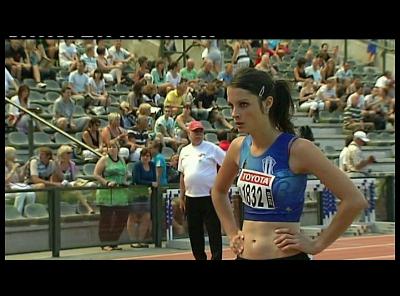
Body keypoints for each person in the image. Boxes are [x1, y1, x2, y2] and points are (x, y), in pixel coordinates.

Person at [211, 68, 368, 260]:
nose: (235, 113)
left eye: (243, 104)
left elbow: (354, 200)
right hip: (244, 256)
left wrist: (317, 244)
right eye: (231, 105)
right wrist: (232, 232)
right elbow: (218, 191)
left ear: (267, 103)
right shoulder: (238, 147)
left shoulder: (298, 149)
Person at [178, 120, 226, 260]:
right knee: (194, 232)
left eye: (200, 132)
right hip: (191, 197)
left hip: (209, 197)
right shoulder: (184, 151)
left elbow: (227, 165)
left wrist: (219, 186)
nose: (198, 134)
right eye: (195, 132)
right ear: (189, 133)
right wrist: (182, 196)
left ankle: (216, 258)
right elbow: (182, 175)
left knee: (213, 230)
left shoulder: (212, 148)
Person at [93, 140, 129, 251]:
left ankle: (113, 241)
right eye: (109, 147)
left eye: (114, 147)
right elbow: (96, 174)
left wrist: (124, 181)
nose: (112, 149)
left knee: (123, 216)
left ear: (118, 148)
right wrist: (107, 182)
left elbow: (125, 173)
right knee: (106, 219)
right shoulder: (104, 159)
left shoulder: (122, 159)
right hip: (107, 193)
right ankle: (105, 243)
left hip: (120, 193)